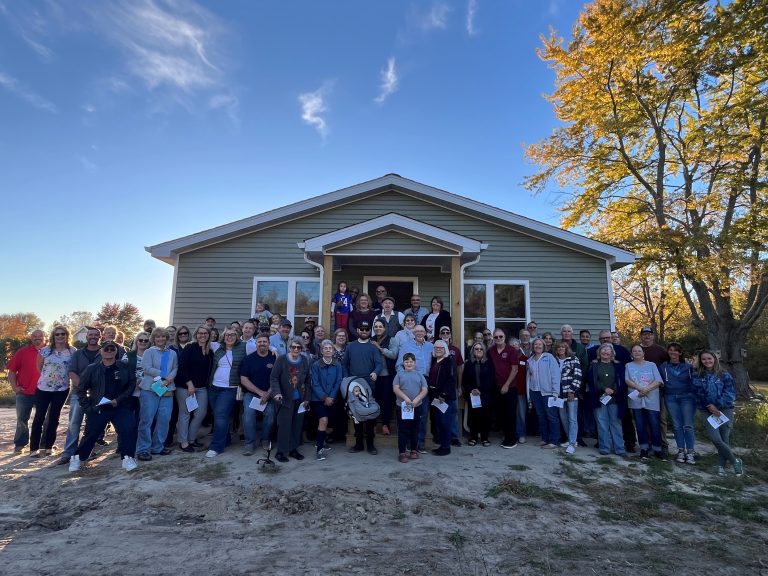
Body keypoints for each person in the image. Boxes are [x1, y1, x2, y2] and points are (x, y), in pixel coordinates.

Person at [67, 340, 138, 473]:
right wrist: (88, 408)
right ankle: (77, 457)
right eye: (106, 349)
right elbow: (80, 389)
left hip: (120, 406)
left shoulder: (124, 366)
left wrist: (119, 399)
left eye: (112, 349)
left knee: (128, 429)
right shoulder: (92, 369)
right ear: (101, 351)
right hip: (99, 407)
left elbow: (131, 384)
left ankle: (128, 457)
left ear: (116, 351)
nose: (109, 351)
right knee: (91, 434)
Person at [58, 326, 104, 465]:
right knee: (74, 423)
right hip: (78, 393)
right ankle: (68, 453)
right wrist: (83, 387)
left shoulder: (105, 352)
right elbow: (72, 372)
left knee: (93, 425)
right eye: (91, 335)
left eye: (96, 335)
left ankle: (87, 451)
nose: (93, 337)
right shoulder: (78, 354)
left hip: (98, 394)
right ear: (87, 337)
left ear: (99, 337)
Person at [693, 351, 742, 477]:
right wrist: (710, 406)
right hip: (706, 410)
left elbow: (730, 393)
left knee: (725, 438)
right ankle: (735, 461)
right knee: (716, 439)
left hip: (725, 409)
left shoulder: (724, 374)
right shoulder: (697, 375)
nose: (707, 361)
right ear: (700, 361)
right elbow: (698, 393)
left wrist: (717, 406)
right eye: (703, 359)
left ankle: (721, 466)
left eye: (709, 358)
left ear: (714, 359)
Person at [29, 326, 76, 458]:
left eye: (63, 334)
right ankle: (34, 448)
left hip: (62, 389)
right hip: (43, 388)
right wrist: (48, 379)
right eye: (57, 334)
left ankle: (49, 447)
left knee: (54, 418)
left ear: (67, 335)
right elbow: (39, 367)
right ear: (53, 336)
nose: (60, 336)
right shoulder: (45, 350)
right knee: (39, 417)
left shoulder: (72, 351)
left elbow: (75, 367)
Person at [135, 327, 178, 461]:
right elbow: (146, 368)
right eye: (158, 337)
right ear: (153, 339)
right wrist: (164, 375)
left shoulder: (172, 353)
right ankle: (143, 449)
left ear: (167, 338)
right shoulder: (149, 352)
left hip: (167, 388)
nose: (160, 339)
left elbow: (176, 367)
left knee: (164, 419)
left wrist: (170, 378)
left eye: (163, 336)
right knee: (147, 420)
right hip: (150, 389)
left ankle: (158, 447)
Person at [342, 320, 383, 454]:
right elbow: (344, 364)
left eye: (366, 329)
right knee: (356, 414)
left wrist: (375, 372)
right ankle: (359, 444)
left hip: (369, 384)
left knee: (370, 414)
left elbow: (379, 364)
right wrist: (348, 379)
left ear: (369, 331)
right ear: (358, 331)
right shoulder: (351, 346)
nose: (364, 331)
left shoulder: (373, 347)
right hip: (354, 384)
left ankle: (370, 445)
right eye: (362, 329)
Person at [205, 329, 246, 458]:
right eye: (227, 335)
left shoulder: (244, 346)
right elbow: (200, 341)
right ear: (223, 337)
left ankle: (216, 446)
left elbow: (261, 343)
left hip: (230, 388)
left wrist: (273, 348)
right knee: (218, 415)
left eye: (233, 334)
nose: (230, 337)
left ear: (237, 336)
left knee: (221, 415)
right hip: (214, 387)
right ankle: (226, 440)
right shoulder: (217, 346)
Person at [270, 336, 312, 462]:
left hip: (300, 399)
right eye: (293, 347)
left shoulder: (304, 360)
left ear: (301, 348)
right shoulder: (282, 360)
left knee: (297, 425)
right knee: (284, 425)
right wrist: (276, 393)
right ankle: (281, 452)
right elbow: (274, 378)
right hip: (284, 399)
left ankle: (293, 449)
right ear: (289, 347)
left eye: (298, 347)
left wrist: (307, 398)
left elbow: (308, 381)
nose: (296, 349)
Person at [175, 325, 214, 453]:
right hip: (186, 387)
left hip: (202, 388)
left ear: (209, 335)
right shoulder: (190, 347)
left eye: (205, 333)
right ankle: (183, 442)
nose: (203, 335)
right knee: (185, 414)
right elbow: (181, 366)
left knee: (200, 413)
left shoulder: (209, 351)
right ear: (196, 334)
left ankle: (191, 439)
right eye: (200, 333)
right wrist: (190, 384)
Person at [395, 325, 434, 452]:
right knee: (407, 414)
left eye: (422, 331)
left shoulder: (430, 346)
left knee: (422, 413)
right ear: (413, 333)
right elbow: (399, 364)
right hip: (408, 380)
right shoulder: (406, 346)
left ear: (425, 333)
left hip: (424, 380)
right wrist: (404, 377)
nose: (419, 333)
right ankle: (407, 443)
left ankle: (419, 443)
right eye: (417, 331)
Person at [7, 329, 46, 454]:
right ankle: (20, 444)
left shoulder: (50, 352)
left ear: (45, 337)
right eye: (34, 336)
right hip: (24, 393)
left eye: (40, 336)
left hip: (45, 392)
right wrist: (15, 387)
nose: (37, 338)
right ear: (31, 338)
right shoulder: (22, 352)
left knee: (45, 420)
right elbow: (12, 371)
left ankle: (44, 445)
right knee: (22, 419)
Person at [240, 334, 277, 454]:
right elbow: (244, 379)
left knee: (271, 414)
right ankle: (249, 443)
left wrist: (267, 394)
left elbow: (277, 378)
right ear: (256, 344)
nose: (262, 343)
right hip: (251, 394)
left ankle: (265, 439)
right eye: (259, 341)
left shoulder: (274, 358)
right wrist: (260, 393)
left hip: (270, 394)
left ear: (269, 344)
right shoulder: (248, 359)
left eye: (264, 342)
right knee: (248, 414)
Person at [587, 343, 627, 456]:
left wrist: (612, 390)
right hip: (599, 399)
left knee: (616, 423)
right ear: (599, 353)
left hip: (615, 399)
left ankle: (619, 448)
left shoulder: (618, 366)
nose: (605, 352)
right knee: (602, 423)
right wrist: (604, 389)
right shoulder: (594, 366)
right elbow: (592, 381)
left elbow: (621, 381)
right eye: (603, 350)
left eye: (608, 350)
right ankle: (604, 447)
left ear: (612, 353)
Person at [625, 345, 664, 459]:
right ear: (631, 354)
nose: (637, 353)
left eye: (639, 351)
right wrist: (639, 388)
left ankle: (657, 448)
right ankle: (644, 448)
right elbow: (627, 380)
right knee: (640, 424)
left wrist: (646, 389)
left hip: (651, 398)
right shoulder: (628, 365)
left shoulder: (651, 365)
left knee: (654, 424)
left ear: (643, 353)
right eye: (634, 351)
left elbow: (658, 380)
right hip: (636, 398)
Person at [661, 343, 697, 464]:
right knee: (677, 425)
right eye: (670, 350)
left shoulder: (688, 367)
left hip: (687, 398)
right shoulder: (664, 366)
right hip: (671, 398)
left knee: (688, 425)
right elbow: (659, 381)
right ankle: (681, 451)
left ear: (680, 353)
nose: (673, 352)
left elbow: (695, 382)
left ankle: (690, 452)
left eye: (676, 350)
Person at [639, 326, 671, 459]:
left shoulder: (660, 350)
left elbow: (668, 366)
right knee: (645, 418)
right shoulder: (637, 350)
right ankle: (649, 443)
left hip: (658, 389)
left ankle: (663, 445)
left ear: (653, 336)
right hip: (641, 390)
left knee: (661, 418)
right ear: (641, 336)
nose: (647, 336)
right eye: (644, 334)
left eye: (649, 334)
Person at [526, 338, 561, 449]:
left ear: (543, 346)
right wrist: (529, 395)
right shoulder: (530, 360)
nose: (537, 346)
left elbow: (556, 375)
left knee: (551, 416)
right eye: (535, 344)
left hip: (548, 392)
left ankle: (553, 441)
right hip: (535, 392)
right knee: (541, 416)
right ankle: (544, 439)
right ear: (533, 346)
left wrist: (556, 392)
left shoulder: (549, 357)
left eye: (540, 344)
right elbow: (529, 377)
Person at [310, 339, 343, 461]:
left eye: (330, 348)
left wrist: (331, 397)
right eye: (326, 348)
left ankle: (322, 441)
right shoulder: (316, 365)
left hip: (333, 398)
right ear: (322, 351)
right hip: (318, 399)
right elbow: (315, 383)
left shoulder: (337, 364)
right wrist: (324, 397)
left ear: (333, 351)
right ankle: (319, 449)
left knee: (329, 423)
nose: (328, 350)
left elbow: (338, 381)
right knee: (323, 420)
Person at [488, 328, 519, 449]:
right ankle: (506, 435)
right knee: (500, 414)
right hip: (496, 387)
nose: (498, 339)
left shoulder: (511, 350)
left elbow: (515, 369)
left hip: (510, 387)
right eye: (496, 337)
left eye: (500, 336)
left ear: (504, 337)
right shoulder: (491, 351)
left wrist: (506, 384)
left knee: (510, 414)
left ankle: (511, 440)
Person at [462, 342, 495, 446]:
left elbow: (491, 379)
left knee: (485, 417)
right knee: (474, 417)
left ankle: (485, 438)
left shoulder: (489, 363)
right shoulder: (468, 364)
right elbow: (464, 380)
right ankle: (473, 437)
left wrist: (480, 390)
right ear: (473, 351)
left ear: (484, 351)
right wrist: (471, 389)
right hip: (473, 395)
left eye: (481, 349)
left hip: (485, 394)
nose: (479, 350)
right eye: (476, 349)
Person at [428, 340, 457, 456]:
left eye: (441, 348)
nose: (438, 349)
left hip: (444, 398)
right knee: (439, 421)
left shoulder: (449, 361)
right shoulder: (435, 361)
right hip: (435, 396)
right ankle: (442, 445)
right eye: (436, 348)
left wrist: (444, 394)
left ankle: (446, 447)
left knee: (445, 422)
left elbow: (451, 380)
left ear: (445, 349)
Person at [554, 340, 582, 454]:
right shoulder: (554, 360)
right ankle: (570, 439)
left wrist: (572, 391)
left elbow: (578, 376)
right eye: (559, 347)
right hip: (559, 394)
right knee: (563, 418)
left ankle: (572, 443)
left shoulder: (573, 359)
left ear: (566, 349)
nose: (561, 349)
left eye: (563, 347)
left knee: (572, 418)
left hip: (570, 393)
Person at [371, 319, 398, 436]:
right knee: (374, 399)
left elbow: (394, 354)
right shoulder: (370, 340)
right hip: (373, 375)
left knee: (386, 401)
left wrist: (380, 348)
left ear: (384, 328)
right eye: (376, 326)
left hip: (387, 375)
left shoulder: (391, 339)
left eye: (380, 326)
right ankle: (373, 424)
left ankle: (385, 424)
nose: (378, 328)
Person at [439, 326, 464, 447]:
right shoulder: (436, 349)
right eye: (442, 332)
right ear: (439, 335)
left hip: (452, 388)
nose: (445, 334)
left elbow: (459, 368)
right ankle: (441, 437)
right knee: (440, 413)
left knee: (453, 412)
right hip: (439, 389)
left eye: (447, 332)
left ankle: (454, 437)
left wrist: (459, 386)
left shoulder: (455, 350)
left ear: (450, 335)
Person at [122, 330, 150, 424]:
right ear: (136, 341)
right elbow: (122, 373)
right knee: (128, 419)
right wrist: (134, 382)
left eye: (146, 340)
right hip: (131, 392)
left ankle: (140, 438)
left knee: (143, 419)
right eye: (140, 340)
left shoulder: (153, 356)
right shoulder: (128, 355)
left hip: (148, 392)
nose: (143, 342)